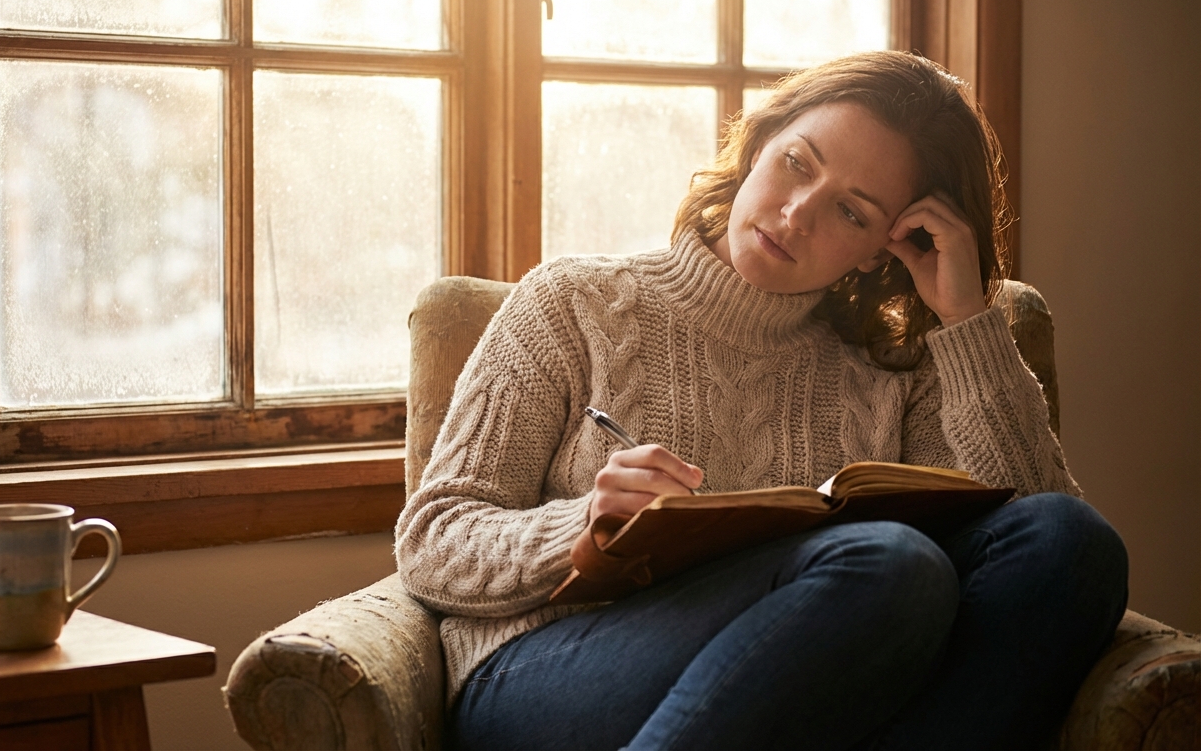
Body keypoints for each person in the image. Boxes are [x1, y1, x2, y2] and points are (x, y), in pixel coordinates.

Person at [394, 51, 1128, 751]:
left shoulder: (898, 365)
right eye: (796, 163)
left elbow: (1040, 567)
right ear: (759, 143)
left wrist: (968, 321)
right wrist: (581, 528)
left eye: (851, 211)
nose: (797, 214)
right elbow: (433, 539)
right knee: (888, 562)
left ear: (884, 247)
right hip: (547, 670)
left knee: (1074, 540)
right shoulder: (571, 303)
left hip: (799, 689)